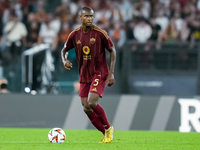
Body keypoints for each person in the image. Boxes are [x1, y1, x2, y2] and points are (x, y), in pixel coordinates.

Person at [61, 6, 116, 143]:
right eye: (86, 16)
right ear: (81, 17)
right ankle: (105, 133)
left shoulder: (100, 33)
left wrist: (111, 73)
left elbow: (112, 50)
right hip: (84, 75)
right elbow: (64, 50)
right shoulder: (74, 35)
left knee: (91, 102)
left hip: (99, 72)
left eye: (91, 16)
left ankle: (109, 128)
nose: (89, 19)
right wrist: (64, 60)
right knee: (86, 107)